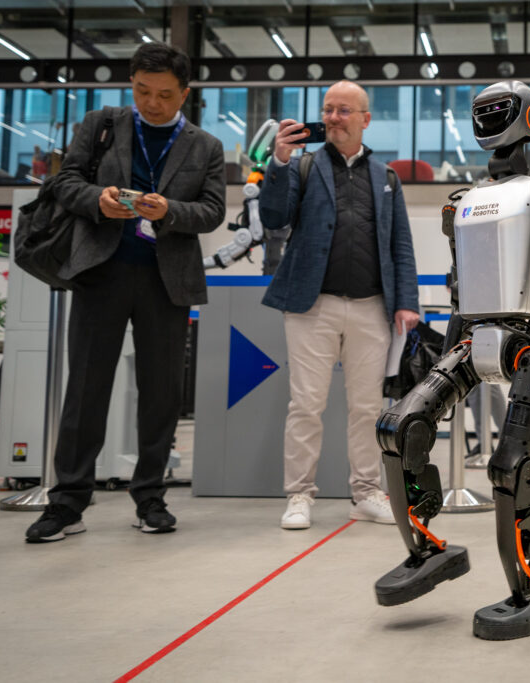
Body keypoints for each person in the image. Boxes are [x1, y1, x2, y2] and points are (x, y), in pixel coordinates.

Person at [25, 43, 226, 542]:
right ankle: (67, 502)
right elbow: (65, 183)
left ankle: (150, 497)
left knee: (161, 394)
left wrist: (170, 211)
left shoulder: (205, 145)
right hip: (101, 272)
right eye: (142, 91)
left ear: (184, 94)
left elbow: (212, 211)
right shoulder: (101, 125)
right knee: (85, 390)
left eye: (164, 94)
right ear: (131, 84)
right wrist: (99, 199)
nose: (152, 103)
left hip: (166, 281)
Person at [259, 80, 420, 530]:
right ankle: (299, 495)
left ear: (365, 119)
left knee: (367, 408)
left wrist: (406, 301)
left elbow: (400, 243)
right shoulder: (303, 166)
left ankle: (366, 493)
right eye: (328, 109)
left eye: (344, 110)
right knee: (306, 404)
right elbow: (273, 218)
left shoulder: (386, 177)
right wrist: (278, 162)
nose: (333, 117)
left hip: (372, 308)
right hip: (312, 307)